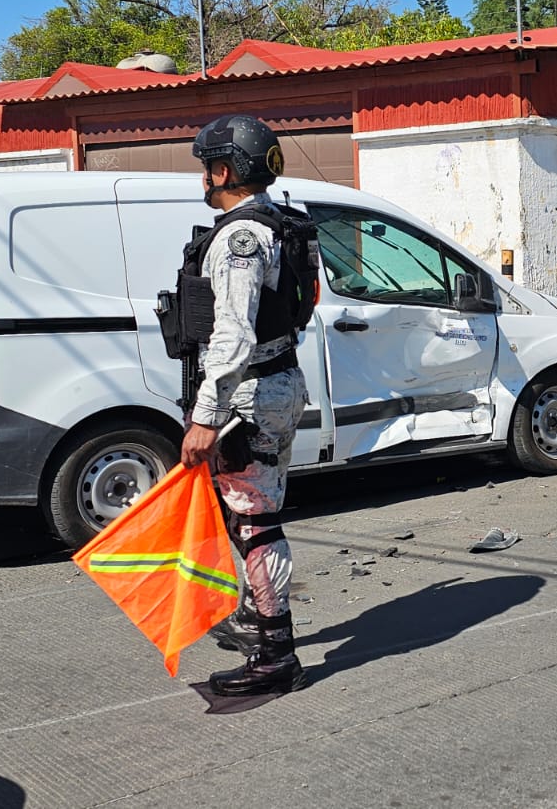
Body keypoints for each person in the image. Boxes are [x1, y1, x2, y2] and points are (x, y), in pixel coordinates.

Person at [174, 114, 313, 697]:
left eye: (207, 168)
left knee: (254, 521)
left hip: (250, 395)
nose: (203, 179)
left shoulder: (238, 238)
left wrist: (206, 416)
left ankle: (276, 652)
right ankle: (261, 616)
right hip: (279, 381)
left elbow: (232, 334)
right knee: (252, 513)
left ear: (224, 170)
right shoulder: (282, 225)